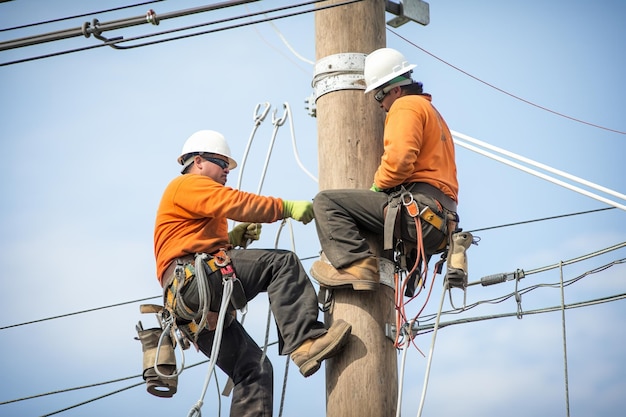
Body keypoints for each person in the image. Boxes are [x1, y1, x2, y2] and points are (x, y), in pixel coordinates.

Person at [153, 130, 351, 416]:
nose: (226, 171)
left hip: (192, 308)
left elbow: (188, 240)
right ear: (198, 161)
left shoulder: (193, 197)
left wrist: (233, 239)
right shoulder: (187, 184)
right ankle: (305, 341)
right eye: (221, 163)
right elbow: (236, 203)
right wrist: (285, 208)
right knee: (281, 264)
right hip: (194, 284)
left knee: (253, 369)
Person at [310, 47, 472, 293]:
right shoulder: (431, 112)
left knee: (326, 202)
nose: (380, 105)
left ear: (395, 89)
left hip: (421, 212)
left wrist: (377, 186)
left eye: (378, 96)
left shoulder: (405, 106)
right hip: (439, 220)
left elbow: (399, 161)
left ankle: (355, 266)